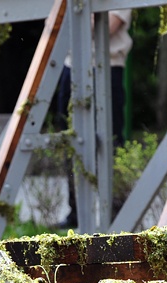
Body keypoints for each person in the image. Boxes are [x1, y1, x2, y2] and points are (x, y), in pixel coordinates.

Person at [56, 10, 132, 229]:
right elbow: (52, 23)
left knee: (111, 142)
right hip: (71, 66)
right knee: (69, 141)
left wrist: (69, 17)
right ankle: (76, 212)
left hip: (108, 65)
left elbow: (106, 27)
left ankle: (117, 214)